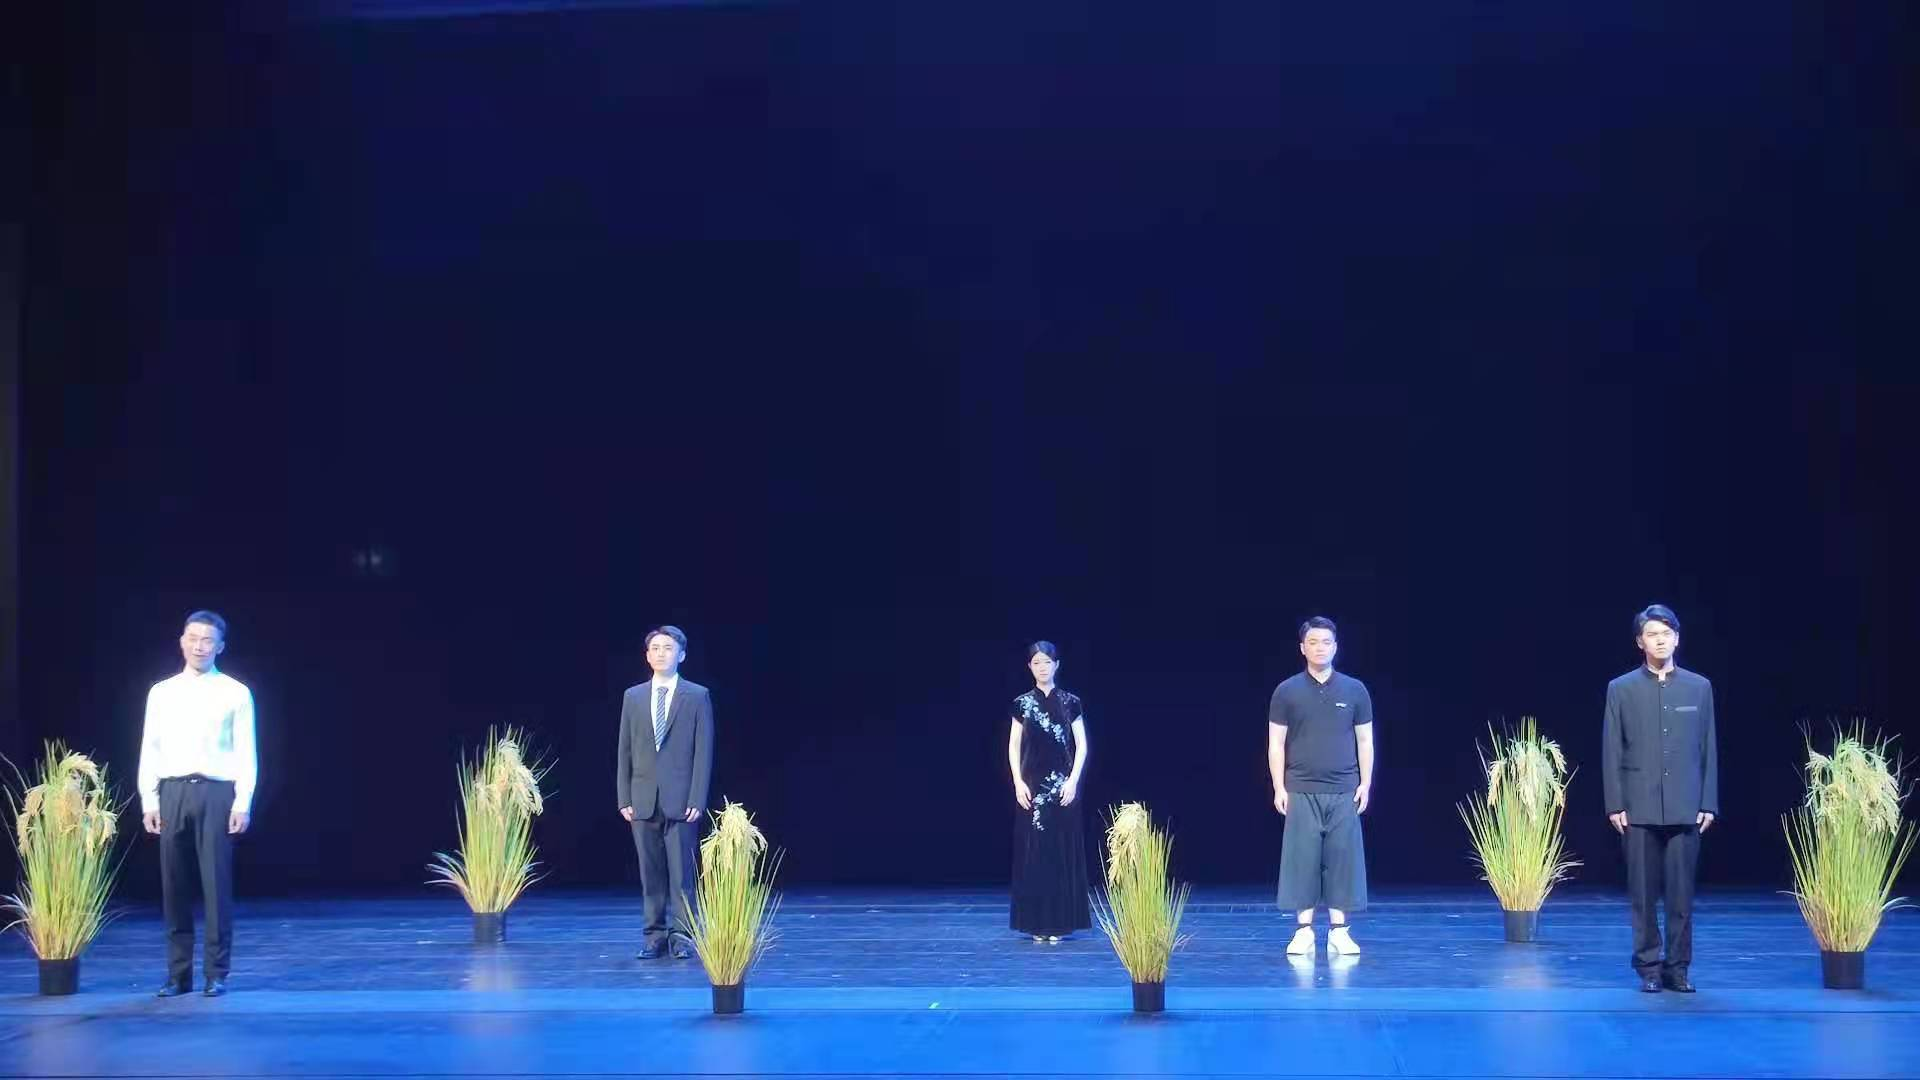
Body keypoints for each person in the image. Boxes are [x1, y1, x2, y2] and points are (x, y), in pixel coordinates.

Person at [137, 610, 257, 997]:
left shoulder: (236, 692)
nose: (199, 646)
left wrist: (243, 801)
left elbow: (246, 752)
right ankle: (178, 975)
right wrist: (149, 799)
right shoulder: (162, 692)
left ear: (220, 647)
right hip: (172, 791)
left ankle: (216, 973)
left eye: (207, 640)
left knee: (215, 885)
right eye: (193, 638)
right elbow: (150, 748)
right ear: (181, 642)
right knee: (174, 885)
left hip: (216, 793)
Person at [1602, 603, 1717, 993]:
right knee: (1643, 894)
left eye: (1667, 633)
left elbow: (1708, 747)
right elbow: (1612, 750)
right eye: (1652, 634)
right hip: (1638, 807)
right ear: (1640, 642)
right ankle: (1649, 968)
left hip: (1686, 807)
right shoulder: (1621, 689)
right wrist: (1615, 803)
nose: (1660, 640)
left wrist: (1708, 801)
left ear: (1677, 639)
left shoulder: (1698, 687)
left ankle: (1677, 968)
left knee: (1681, 897)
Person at [1267, 616, 1374, 957]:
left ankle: (1340, 932)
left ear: (1335, 647)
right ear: (1303, 648)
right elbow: (1276, 744)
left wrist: (1366, 783)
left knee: (1342, 859)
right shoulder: (1286, 691)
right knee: (1303, 860)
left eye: (1326, 642)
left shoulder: (1355, 690)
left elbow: (1365, 740)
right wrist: (1279, 787)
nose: (1320, 648)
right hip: (1300, 787)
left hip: (1344, 789)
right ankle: (1304, 932)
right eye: (1313, 642)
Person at [616, 625, 714, 960]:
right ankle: (654, 936)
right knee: (650, 873)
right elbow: (625, 749)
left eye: (668, 648)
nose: (661, 653)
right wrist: (624, 796)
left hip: (681, 799)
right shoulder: (633, 697)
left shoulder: (697, 696)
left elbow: (703, 751)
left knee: (682, 875)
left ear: (681, 655)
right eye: (655, 648)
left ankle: (682, 936)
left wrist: (697, 797)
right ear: (647, 656)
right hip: (642, 797)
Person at [1007, 641, 1090, 942]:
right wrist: (1018, 782)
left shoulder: (1070, 702)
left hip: (1063, 788)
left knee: (1060, 852)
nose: (1042, 667)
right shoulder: (1021, 703)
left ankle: (1060, 925)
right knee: (1034, 853)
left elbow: (1082, 745)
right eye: (1036, 663)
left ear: (1056, 665)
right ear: (1030, 667)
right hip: (1031, 788)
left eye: (1047, 662)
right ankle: (1035, 925)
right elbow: (1013, 746)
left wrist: (1073, 781)